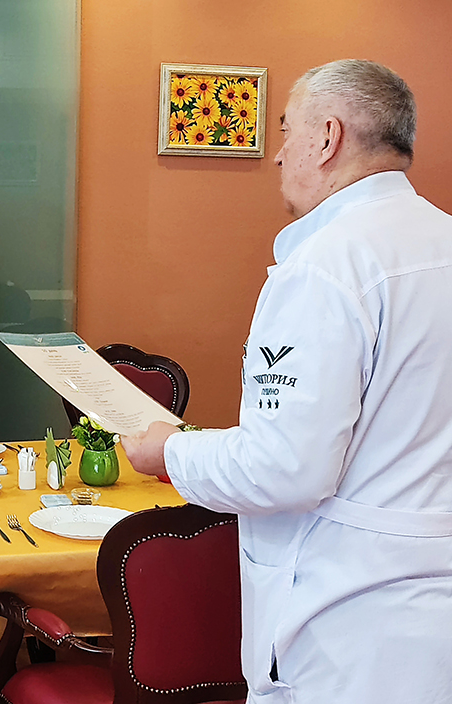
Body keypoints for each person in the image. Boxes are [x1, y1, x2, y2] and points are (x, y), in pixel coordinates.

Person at [122, 60, 452, 703]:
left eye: (286, 131)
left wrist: (171, 451)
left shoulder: (327, 266)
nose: (277, 156)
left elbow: (284, 468)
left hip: (350, 625)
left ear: (327, 138)